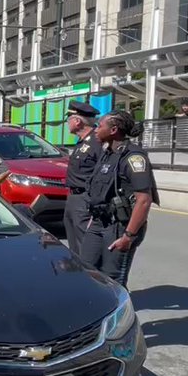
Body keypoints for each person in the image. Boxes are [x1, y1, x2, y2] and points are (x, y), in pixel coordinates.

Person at [80, 110, 160, 287]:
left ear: (113, 129)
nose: (95, 130)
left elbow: (144, 200)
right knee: (87, 270)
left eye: (99, 126)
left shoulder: (133, 157)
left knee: (113, 280)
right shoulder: (107, 154)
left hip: (119, 227)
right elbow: (101, 192)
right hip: (99, 222)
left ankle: (119, 313)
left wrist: (128, 236)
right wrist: (93, 218)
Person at [62, 101, 102, 258]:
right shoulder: (82, 142)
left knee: (85, 246)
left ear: (77, 121)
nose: (67, 124)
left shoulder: (97, 142)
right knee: (74, 247)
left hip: (85, 199)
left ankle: (91, 278)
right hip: (74, 197)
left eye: (68, 119)